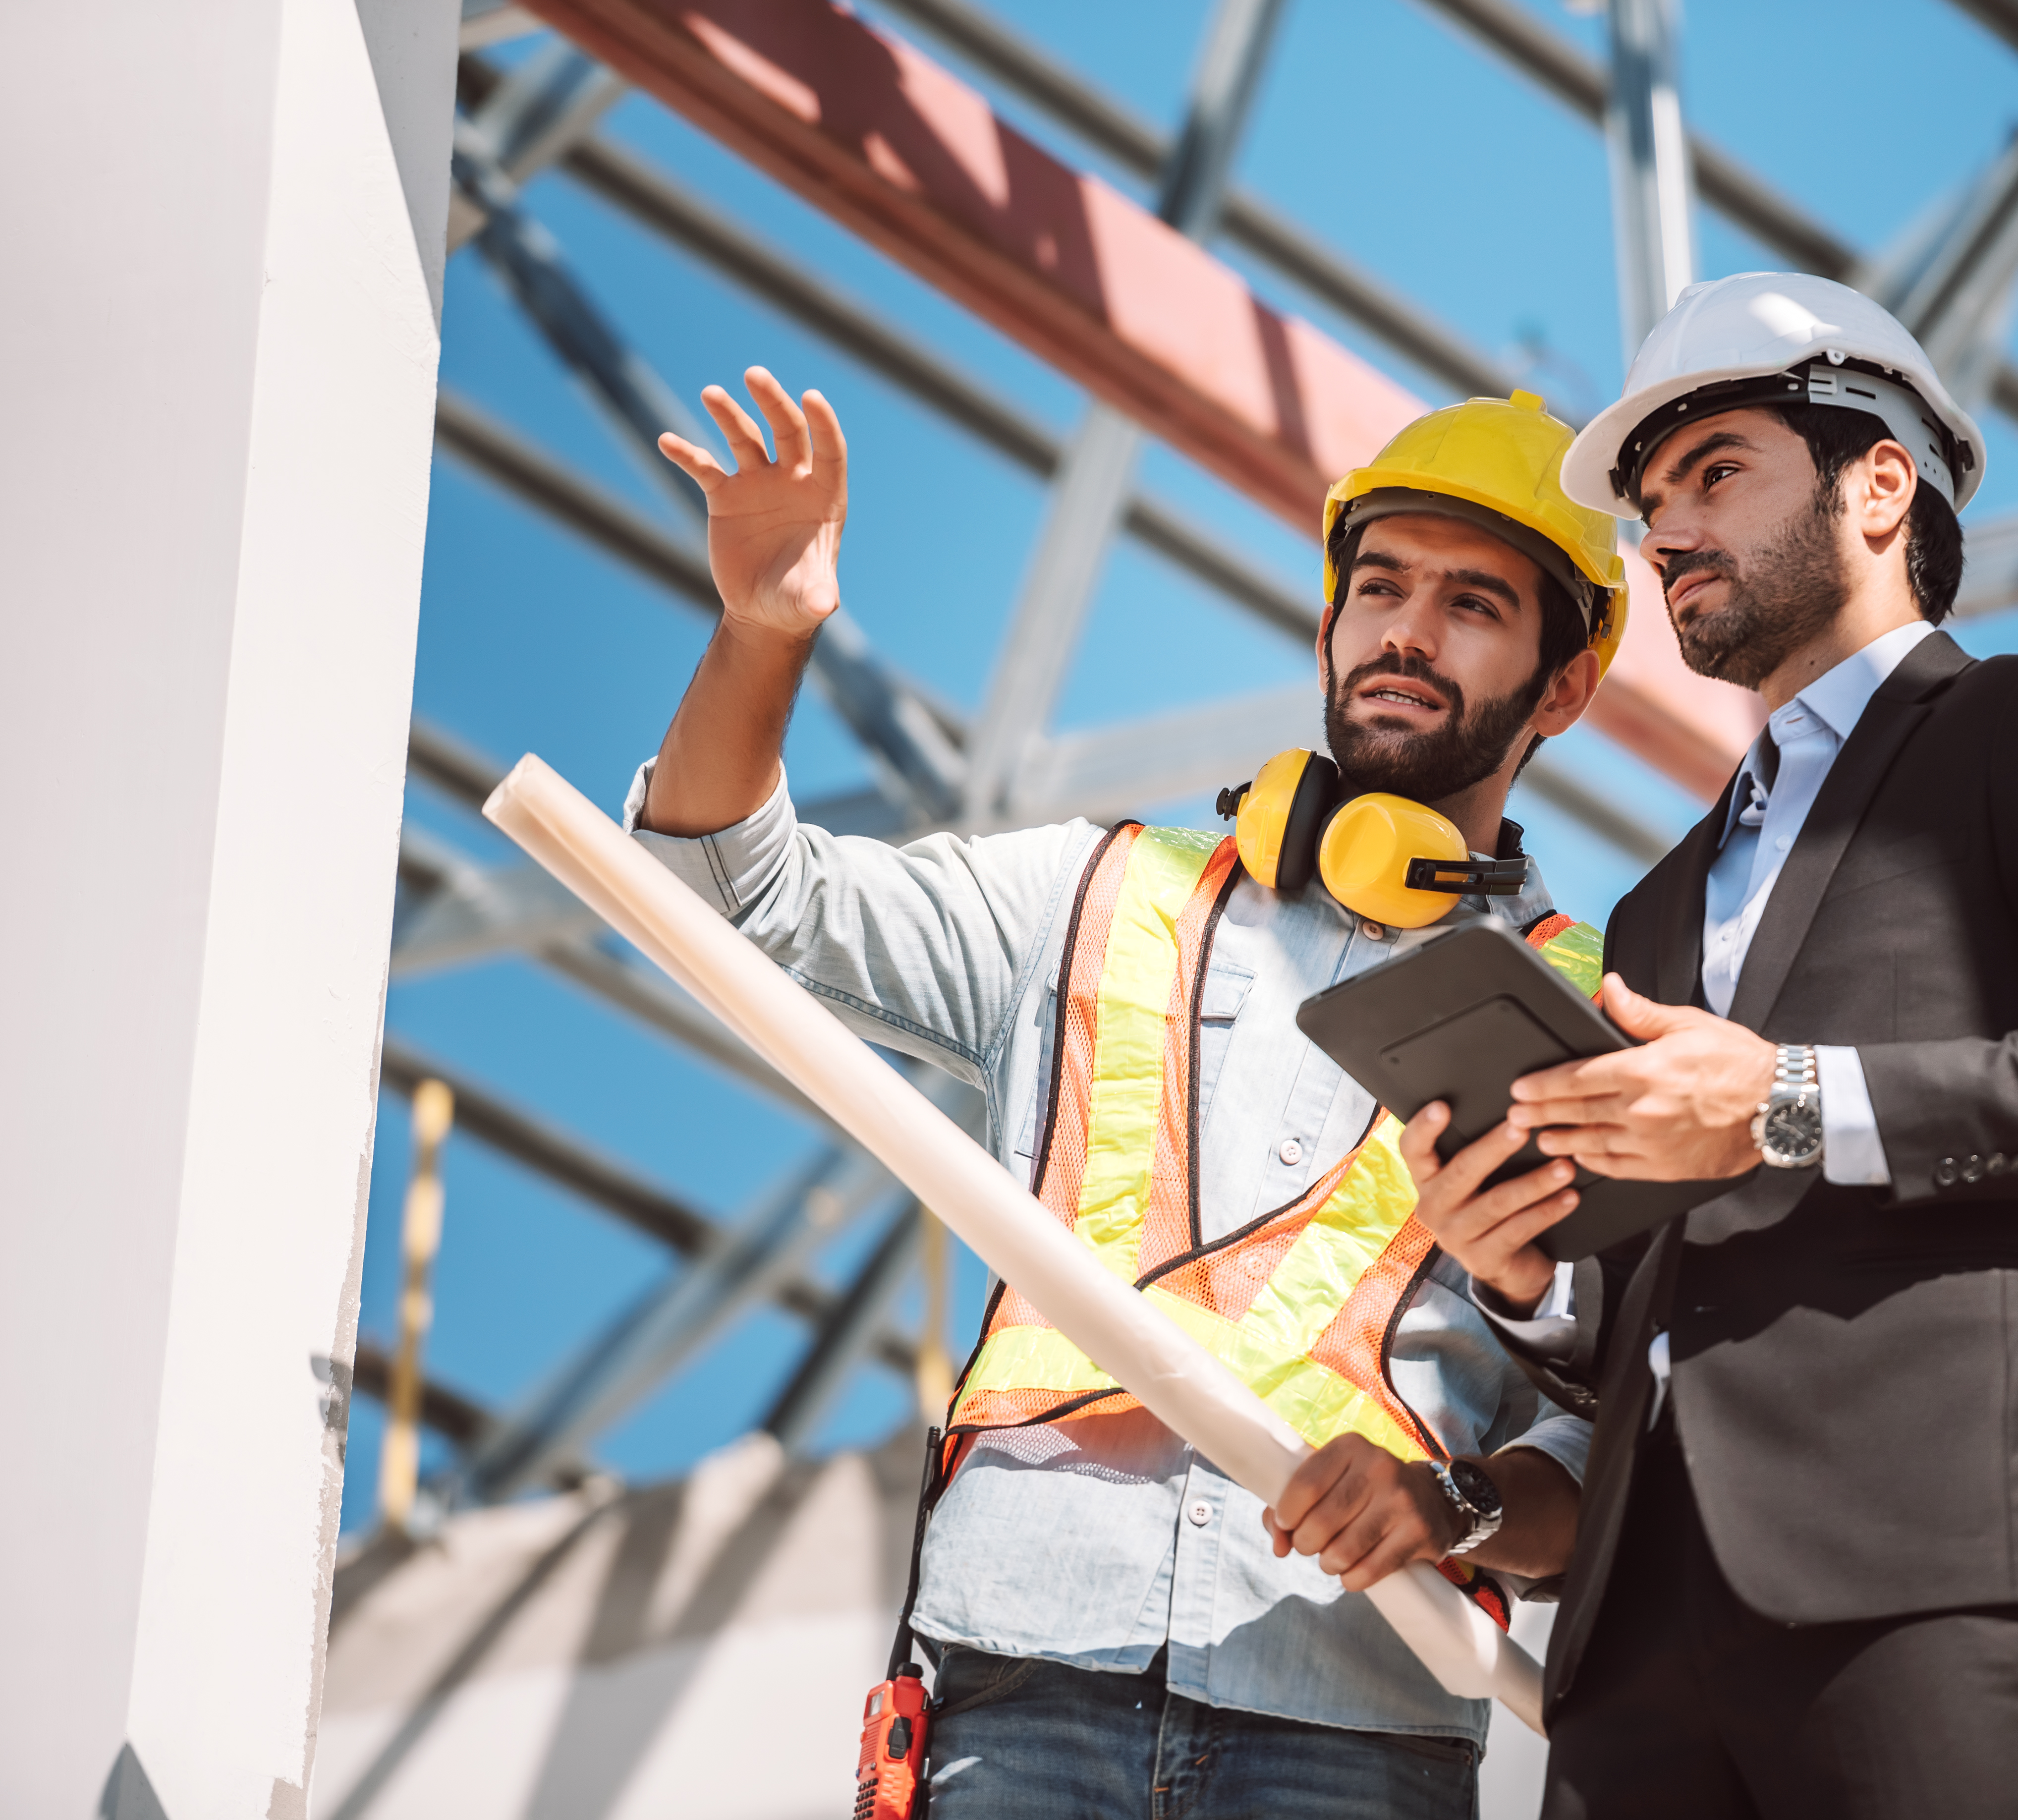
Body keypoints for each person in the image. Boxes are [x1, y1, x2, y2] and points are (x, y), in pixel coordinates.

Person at [628, 369, 1629, 1816]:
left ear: (1566, 682)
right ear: (1329, 619)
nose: (1406, 630)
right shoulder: (1093, 891)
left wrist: (1453, 1506)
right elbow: (727, 897)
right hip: (1018, 1678)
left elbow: (1624, 1444)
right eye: (1382, 586)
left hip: (1358, 1727)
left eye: (1473, 605)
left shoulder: (1594, 1014)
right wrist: (763, 630)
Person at [1406, 274, 2018, 1820]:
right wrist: (1521, 1270)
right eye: (1652, 502)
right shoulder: (1659, 901)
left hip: (1935, 1570)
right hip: (1635, 1640)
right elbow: (1646, 1292)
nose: (1667, 530)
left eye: (1715, 472)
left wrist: (1790, 1103)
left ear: (1881, 483)